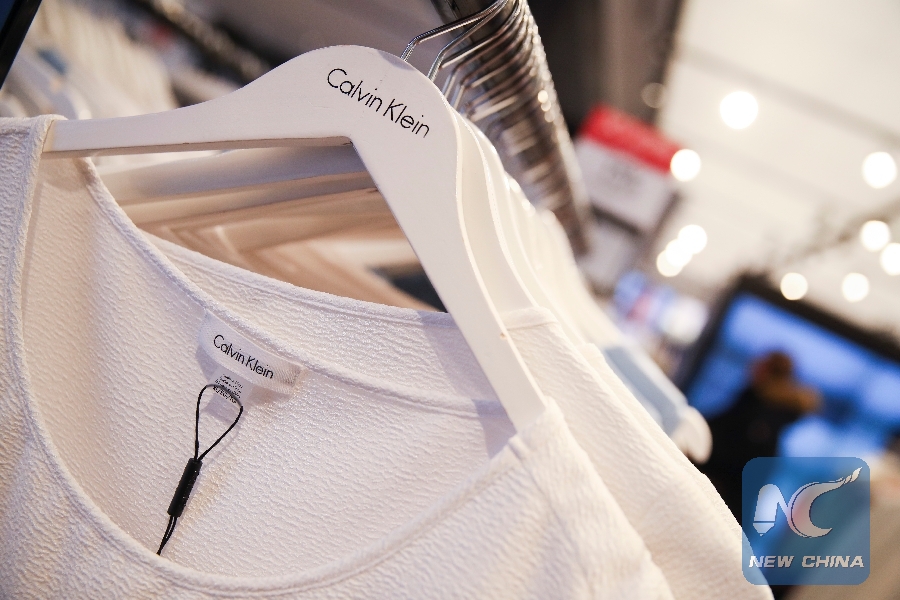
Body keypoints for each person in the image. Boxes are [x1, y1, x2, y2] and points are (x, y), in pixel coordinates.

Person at [702, 352, 820, 518]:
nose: (752, 367)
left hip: (717, 506)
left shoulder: (761, 421)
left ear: (767, 371)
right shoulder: (753, 403)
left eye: (759, 364)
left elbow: (725, 455)